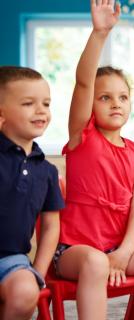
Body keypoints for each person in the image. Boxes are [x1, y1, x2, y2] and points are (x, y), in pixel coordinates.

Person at [55, 1, 134, 319]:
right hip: (74, 250)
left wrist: (124, 252)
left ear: (131, 103)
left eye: (122, 97)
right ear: (92, 104)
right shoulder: (82, 136)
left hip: (118, 246)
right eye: (105, 97)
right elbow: (83, 82)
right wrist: (99, 33)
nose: (115, 103)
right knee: (96, 261)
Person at [0, 66, 63, 320]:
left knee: (26, 292)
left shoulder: (47, 170)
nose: (41, 111)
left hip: (12, 260)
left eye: (46, 104)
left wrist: (38, 270)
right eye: (28, 103)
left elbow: (51, 227)